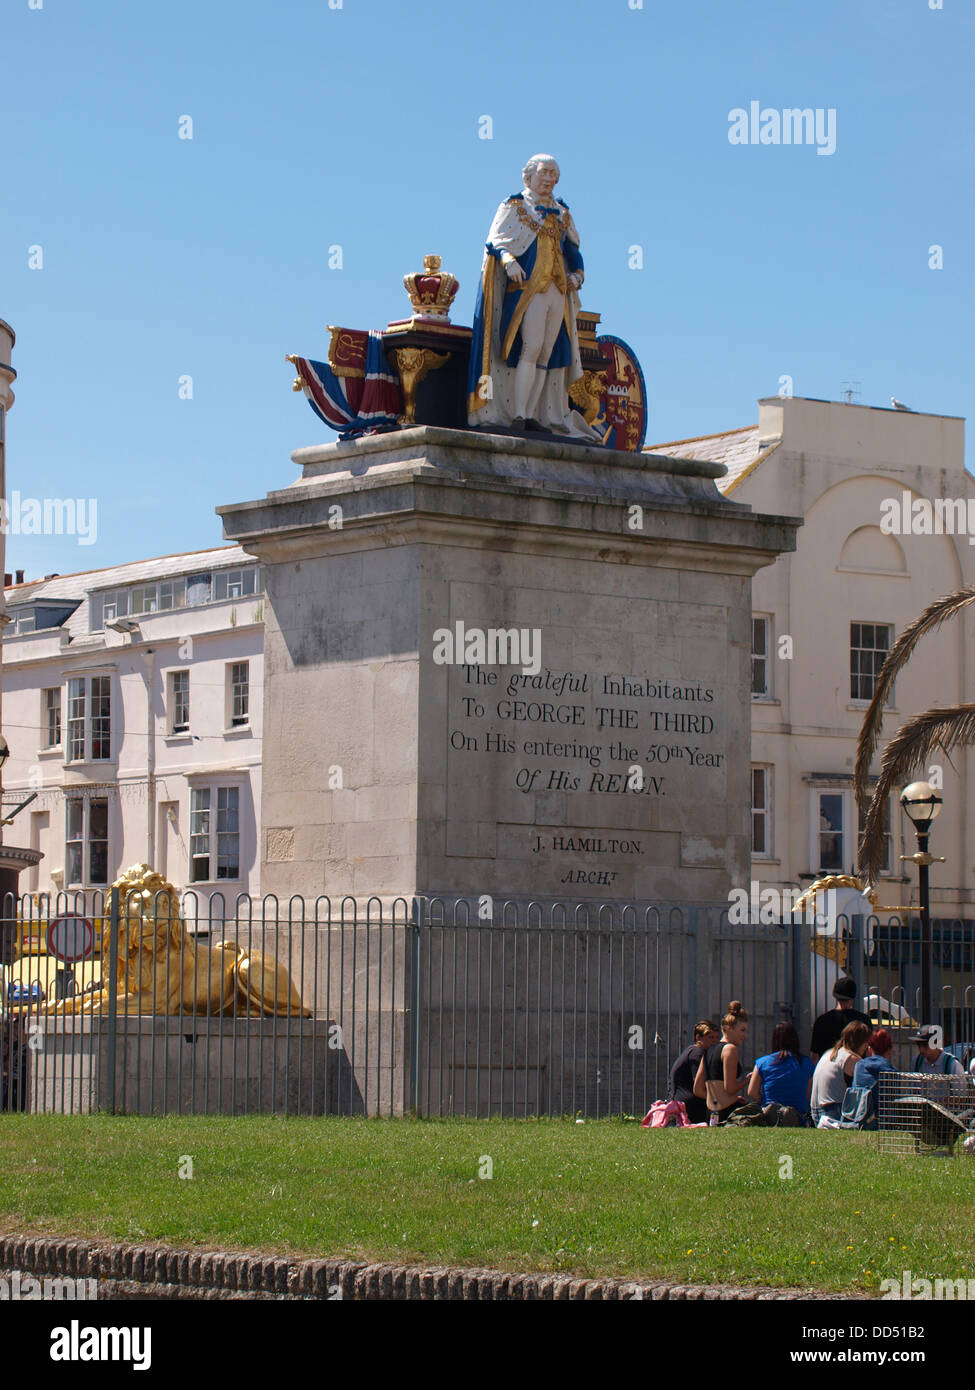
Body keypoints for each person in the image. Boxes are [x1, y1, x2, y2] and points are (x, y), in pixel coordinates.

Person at [466, 154, 602, 439]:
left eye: (554, 173)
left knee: (546, 353)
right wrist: (508, 262)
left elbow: (573, 248)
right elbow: (496, 242)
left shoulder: (562, 211)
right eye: (545, 173)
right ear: (528, 176)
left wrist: (578, 274)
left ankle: (534, 413)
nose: (550, 178)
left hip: (557, 289)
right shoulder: (514, 206)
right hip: (529, 289)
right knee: (531, 346)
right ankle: (518, 413)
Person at [693, 1000, 751, 1125]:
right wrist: (746, 1081)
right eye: (742, 1030)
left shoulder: (709, 1051)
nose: (745, 1035)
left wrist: (715, 1100)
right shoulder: (730, 1049)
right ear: (729, 1028)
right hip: (728, 1111)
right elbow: (730, 1088)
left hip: (711, 1113)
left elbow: (697, 1089)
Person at [747, 1022, 815, 1120]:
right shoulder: (807, 1064)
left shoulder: (762, 1063)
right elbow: (808, 1095)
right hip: (798, 1117)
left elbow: (752, 1092)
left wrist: (765, 1099)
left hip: (770, 1116)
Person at [810, 1019, 870, 1126]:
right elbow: (865, 1088)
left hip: (815, 1110)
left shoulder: (829, 1053)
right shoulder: (852, 1059)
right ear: (862, 1043)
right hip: (833, 1110)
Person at [668, 1020, 719, 1124]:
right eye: (710, 1038)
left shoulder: (691, 1051)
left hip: (681, 1102)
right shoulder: (697, 1053)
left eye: (716, 1038)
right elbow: (699, 1085)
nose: (714, 1041)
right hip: (688, 1106)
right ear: (698, 1037)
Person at [809, 977, 871, 1062]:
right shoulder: (863, 1020)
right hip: (855, 1070)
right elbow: (868, 1052)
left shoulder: (821, 1021)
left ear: (835, 995)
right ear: (852, 998)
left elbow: (815, 1056)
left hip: (828, 1069)